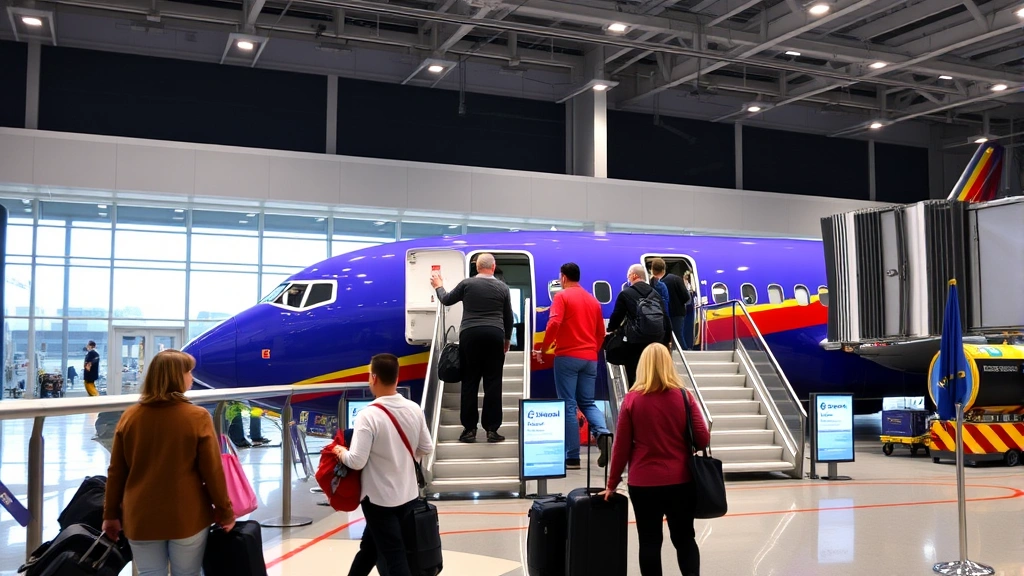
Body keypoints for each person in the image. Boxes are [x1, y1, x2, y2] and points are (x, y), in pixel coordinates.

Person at [101, 349, 235, 576]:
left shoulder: (130, 417)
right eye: (189, 372)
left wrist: (110, 514)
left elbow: (116, 472)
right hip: (186, 515)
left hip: (140, 516)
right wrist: (225, 511)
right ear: (176, 377)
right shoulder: (197, 417)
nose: (192, 378)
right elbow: (212, 471)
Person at [599, 343, 710, 576]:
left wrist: (611, 484)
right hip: (681, 480)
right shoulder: (684, 396)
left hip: (643, 483)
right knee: (684, 538)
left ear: (643, 366)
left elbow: (621, 448)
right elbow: (703, 438)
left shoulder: (632, 400)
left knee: (649, 541)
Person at [337, 353, 433, 576]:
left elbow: (357, 461)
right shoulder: (414, 408)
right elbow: (426, 447)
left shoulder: (368, 415)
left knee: (394, 556)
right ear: (397, 378)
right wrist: (404, 461)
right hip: (408, 494)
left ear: (373, 378)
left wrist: (341, 452)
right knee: (370, 549)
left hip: (379, 499)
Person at [533, 263, 611, 470]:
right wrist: (591, 350)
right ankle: (603, 433)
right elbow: (600, 333)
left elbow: (554, 323)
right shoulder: (593, 301)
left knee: (568, 404)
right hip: (590, 358)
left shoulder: (562, 297)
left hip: (567, 356)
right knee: (588, 402)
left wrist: (544, 348)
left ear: (563, 278)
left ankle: (573, 457)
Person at [431, 253, 514, 443]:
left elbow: (446, 299)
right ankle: (492, 430)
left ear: (477, 267)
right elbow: (508, 316)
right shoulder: (503, 287)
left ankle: (469, 430)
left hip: (470, 334)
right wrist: (507, 339)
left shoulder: (467, 284)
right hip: (494, 334)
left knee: (470, 382)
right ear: (493, 267)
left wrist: (438, 286)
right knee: (493, 383)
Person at [607, 264, 671, 385]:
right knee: (652, 375)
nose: (628, 278)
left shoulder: (626, 294)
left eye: (629, 276)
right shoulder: (656, 294)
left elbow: (617, 316)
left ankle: (636, 395)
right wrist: (667, 341)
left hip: (635, 342)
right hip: (656, 341)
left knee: (634, 375)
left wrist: (611, 329)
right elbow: (665, 318)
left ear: (634, 276)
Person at [653, 261, 691, 349]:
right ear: (664, 268)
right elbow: (686, 297)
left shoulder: (653, 283)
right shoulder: (675, 279)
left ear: (652, 270)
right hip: (677, 313)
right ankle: (684, 352)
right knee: (678, 335)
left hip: (661, 315)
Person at [682, 271, 697, 350]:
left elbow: (688, 302)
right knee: (688, 329)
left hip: (688, 311)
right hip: (689, 311)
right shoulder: (691, 290)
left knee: (687, 329)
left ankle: (688, 345)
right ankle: (688, 345)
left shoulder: (689, 289)